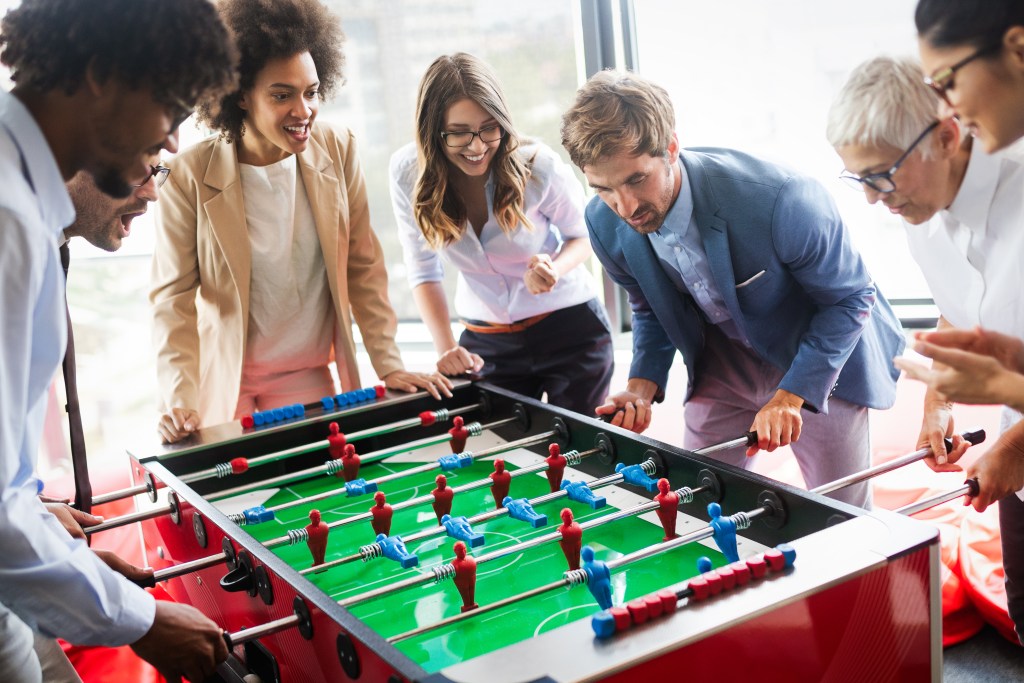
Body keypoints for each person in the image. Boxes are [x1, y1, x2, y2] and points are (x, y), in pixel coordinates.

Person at [0, 0, 237, 680]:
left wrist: (52, 542)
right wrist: (140, 619)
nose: (167, 144)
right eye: (169, 107)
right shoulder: (9, 217)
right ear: (101, 72)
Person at [559, 70, 905, 508]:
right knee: (700, 506)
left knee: (843, 511)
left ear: (670, 148)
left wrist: (790, 395)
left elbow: (851, 297)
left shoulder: (781, 198)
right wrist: (641, 387)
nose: (625, 207)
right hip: (720, 364)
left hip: (815, 355)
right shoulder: (603, 222)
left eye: (635, 180)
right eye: (604, 188)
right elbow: (650, 307)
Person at [151, 0, 452, 445]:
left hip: (307, 373)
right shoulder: (188, 175)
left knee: (320, 494)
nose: (303, 109)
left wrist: (388, 364)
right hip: (227, 378)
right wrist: (179, 398)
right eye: (281, 95)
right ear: (239, 94)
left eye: (310, 92)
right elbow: (172, 299)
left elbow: (363, 267)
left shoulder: (339, 148)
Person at [827, 54, 1024, 470]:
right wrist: (938, 403)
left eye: (881, 174)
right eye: (860, 179)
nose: (872, 197)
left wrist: (1015, 449)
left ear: (947, 139)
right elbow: (961, 307)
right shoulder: (920, 201)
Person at [898, 0, 1024, 644]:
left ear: (1018, 47)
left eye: (947, 80)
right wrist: (945, 396)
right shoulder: (928, 218)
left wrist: (1014, 427)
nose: (945, 107)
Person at [389, 53, 613, 414]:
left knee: (578, 455)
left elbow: (583, 235)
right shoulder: (407, 172)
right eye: (459, 133)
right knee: (499, 454)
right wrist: (446, 348)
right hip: (486, 343)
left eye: (489, 128)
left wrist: (554, 268)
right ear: (432, 131)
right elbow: (423, 270)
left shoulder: (538, 165)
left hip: (570, 331)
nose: (477, 147)